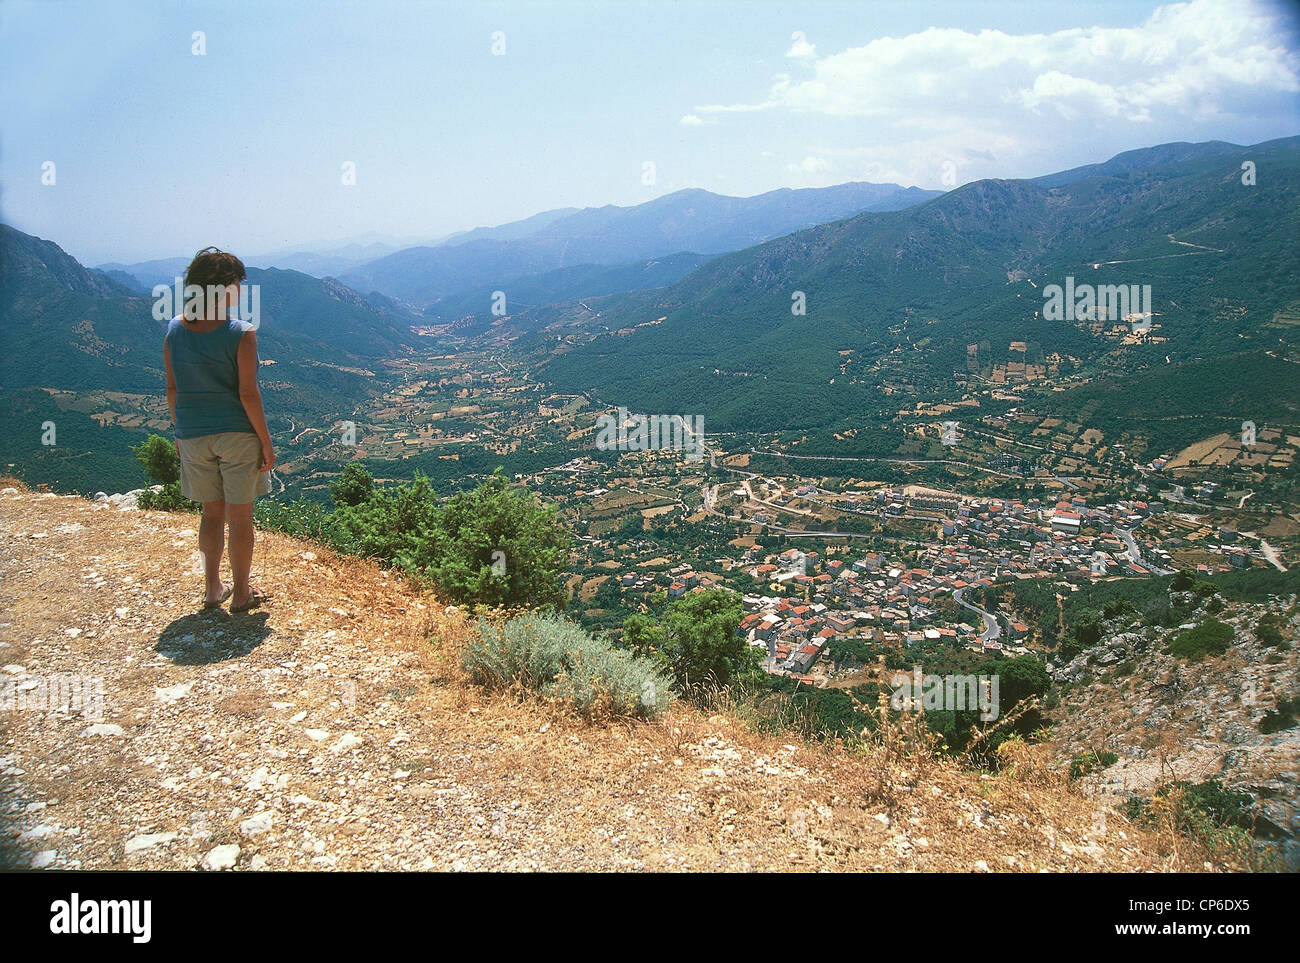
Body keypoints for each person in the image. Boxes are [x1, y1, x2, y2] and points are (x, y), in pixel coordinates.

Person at [163, 247, 274, 612]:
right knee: (240, 518)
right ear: (222, 289)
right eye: (237, 283)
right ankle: (241, 593)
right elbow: (247, 394)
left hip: (192, 432)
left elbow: (173, 389)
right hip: (236, 435)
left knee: (211, 513)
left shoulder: (174, 330)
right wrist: (265, 441)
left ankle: (213, 588)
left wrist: (179, 431)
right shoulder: (240, 333)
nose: (240, 290)